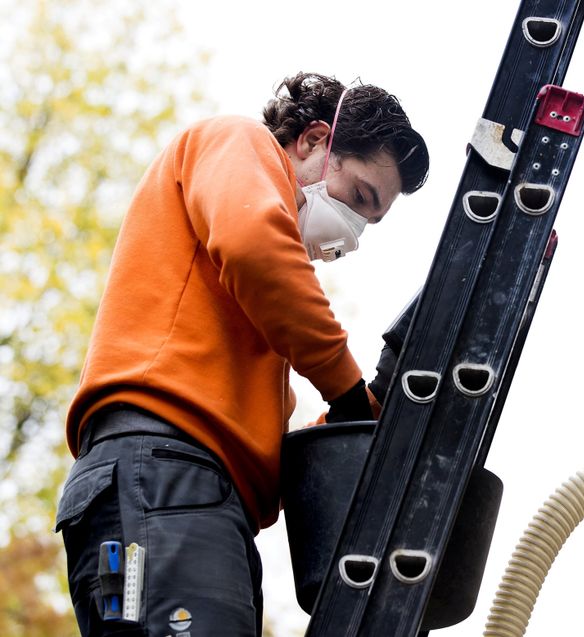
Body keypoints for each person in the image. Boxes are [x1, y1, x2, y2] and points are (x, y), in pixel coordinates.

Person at [54, 72, 429, 636]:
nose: (353, 232)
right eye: (358, 198)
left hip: (180, 497)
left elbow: (278, 451)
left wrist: (360, 415)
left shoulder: (253, 329)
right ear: (312, 141)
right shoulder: (237, 142)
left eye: (369, 222)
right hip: (164, 477)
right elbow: (258, 247)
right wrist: (347, 390)